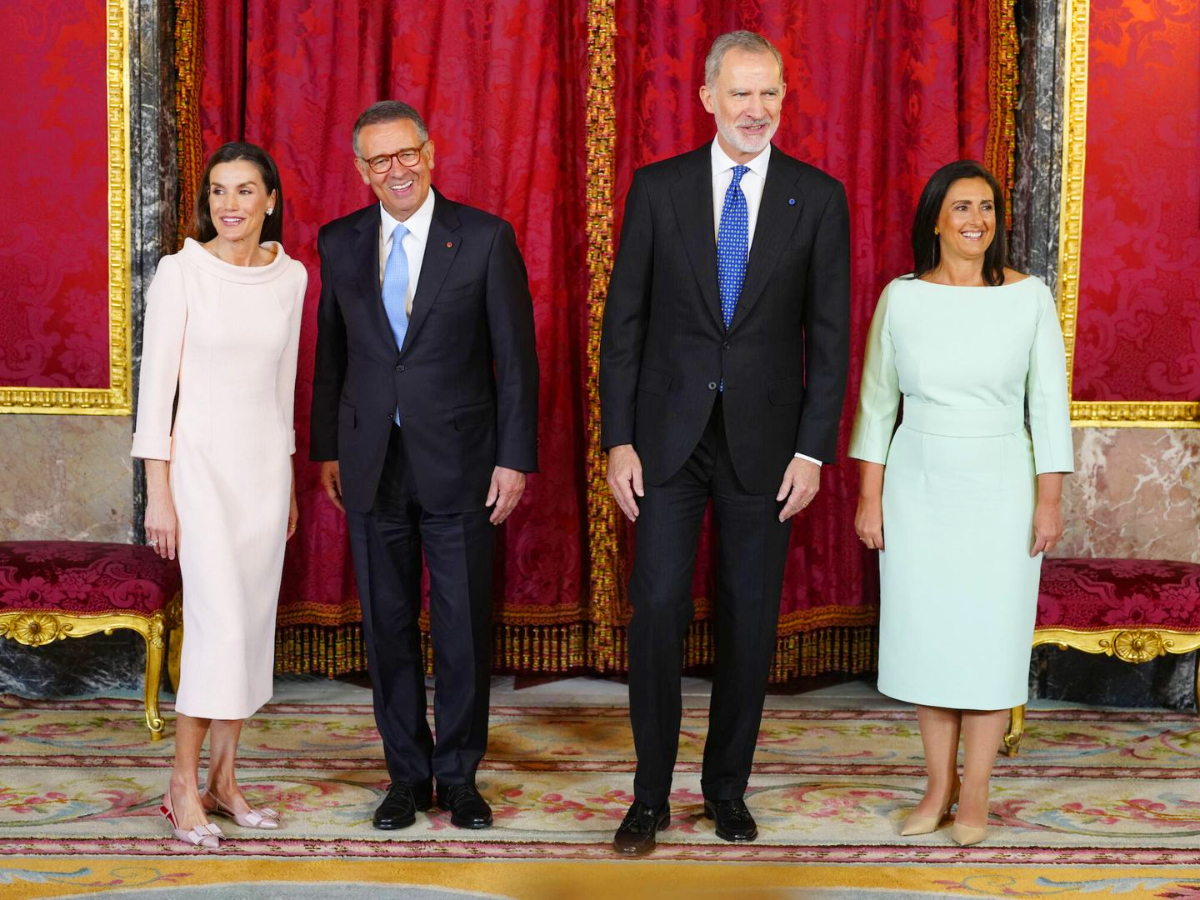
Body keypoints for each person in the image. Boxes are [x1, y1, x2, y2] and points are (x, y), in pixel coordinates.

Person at [600, 31, 851, 855]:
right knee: (660, 610)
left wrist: (813, 452)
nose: (756, 110)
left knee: (749, 621)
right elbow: (624, 326)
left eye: (770, 94)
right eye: (741, 94)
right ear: (707, 97)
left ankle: (726, 791)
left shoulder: (817, 198)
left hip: (767, 451)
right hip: (667, 443)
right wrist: (618, 441)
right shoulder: (658, 189)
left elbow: (830, 338)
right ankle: (647, 797)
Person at [310, 101, 538, 832]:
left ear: (430, 152)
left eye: (406, 154)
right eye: (379, 161)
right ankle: (406, 776)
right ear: (361, 171)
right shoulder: (339, 242)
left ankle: (460, 777)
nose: (396, 170)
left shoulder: (484, 238)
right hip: (371, 462)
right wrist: (326, 450)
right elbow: (331, 358)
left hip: (464, 463)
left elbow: (517, 364)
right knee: (387, 625)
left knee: (463, 625)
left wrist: (514, 458)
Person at [849, 160, 1074, 846]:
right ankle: (937, 784)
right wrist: (870, 498)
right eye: (961, 207)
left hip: (1003, 483)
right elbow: (876, 404)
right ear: (936, 220)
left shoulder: (1029, 298)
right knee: (931, 640)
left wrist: (1049, 502)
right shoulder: (902, 297)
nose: (976, 220)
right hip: (919, 485)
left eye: (986, 207)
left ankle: (975, 790)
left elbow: (1048, 408)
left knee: (988, 644)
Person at [134, 142, 306, 848]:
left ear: (270, 200)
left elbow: (285, 385)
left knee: (250, 631)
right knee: (218, 629)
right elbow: (156, 394)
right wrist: (159, 494)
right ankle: (181, 785)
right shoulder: (182, 273)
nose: (228, 206)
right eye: (217, 193)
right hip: (199, 472)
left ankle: (225, 782)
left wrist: (290, 478)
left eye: (244, 191)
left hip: (265, 473)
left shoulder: (291, 276)